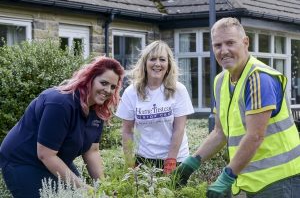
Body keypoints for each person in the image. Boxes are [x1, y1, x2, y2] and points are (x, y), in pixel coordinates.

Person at [174, 17, 300, 198]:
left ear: (245, 42)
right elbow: (220, 132)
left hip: (281, 180)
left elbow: (255, 136)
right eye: (217, 45)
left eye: (230, 43)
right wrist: (193, 161)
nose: (224, 51)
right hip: (251, 181)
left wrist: (227, 176)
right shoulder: (220, 81)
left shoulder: (259, 78)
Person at [0, 56, 124, 198]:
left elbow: (92, 151)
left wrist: (104, 187)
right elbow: (46, 155)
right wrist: (86, 189)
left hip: (56, 158)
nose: (108, 90)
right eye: (103, 83)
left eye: (113, 87)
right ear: (89, 79)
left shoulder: (97, 109)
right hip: (23, 161)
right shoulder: (60, 104)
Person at [116, 40, 194, 175]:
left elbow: (179, 129)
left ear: (168, 64)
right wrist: (130, 163)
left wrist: (170, 161)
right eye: (152, 59)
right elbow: (127, 131)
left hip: (176, 159)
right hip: (144, 161)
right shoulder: (131, 92)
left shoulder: (178, 90)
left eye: (162, 59)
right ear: (145, 63)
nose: (157, 64)